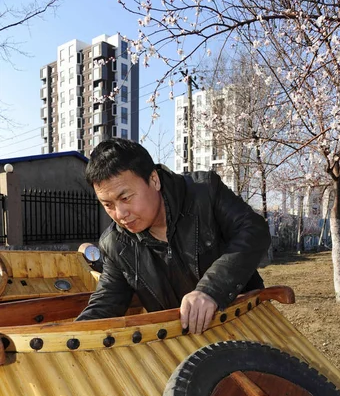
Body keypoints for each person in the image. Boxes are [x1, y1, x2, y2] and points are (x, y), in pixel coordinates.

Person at [77, 138, 271, 334]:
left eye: (125, 198)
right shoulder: (115, 244)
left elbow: (254, 231)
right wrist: (71, 334)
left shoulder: (204, 193)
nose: (120, 214)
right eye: (108, 205)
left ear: (154, 179)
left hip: (246, 323)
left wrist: (211, 290)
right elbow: (106, 301)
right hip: (183, 345)